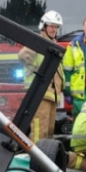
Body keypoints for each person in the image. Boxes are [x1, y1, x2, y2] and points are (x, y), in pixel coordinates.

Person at [18, 10, 65, 141]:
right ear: (44, 26)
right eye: (51, 26)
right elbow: (22, 55)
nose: (54, 29)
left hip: (51, 95)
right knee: (39, 128)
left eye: (56, 27)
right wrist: (38, 70)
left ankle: (44, 157)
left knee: (49, 131)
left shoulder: (53, 45)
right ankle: (36, 159)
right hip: (40, 93)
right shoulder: (40, 42)